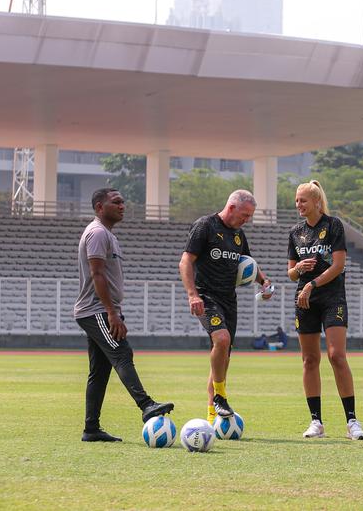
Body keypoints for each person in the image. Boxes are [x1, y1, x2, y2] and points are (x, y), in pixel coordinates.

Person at [74, 188, 173, 441]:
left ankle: (91, 429)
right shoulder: (97, 233)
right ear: (99, 207)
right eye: (115, 202)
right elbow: (97, 274)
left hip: (102, 309)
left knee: (100, 371)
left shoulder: (108, 234)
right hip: (96, 309)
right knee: (122, 353)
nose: (122, 205)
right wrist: (111, 312)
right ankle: (146, 405)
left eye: (123, 201)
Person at [179, 189, 273, 424]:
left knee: (224, 358)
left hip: (229, 301)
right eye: (245, 214)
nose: (247, 220)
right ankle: (220, 397)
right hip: (206, 296)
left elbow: (249, 262)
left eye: (250, 216)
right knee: (221, 339)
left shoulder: (239, 235)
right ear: (231, 207)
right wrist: (192, 295)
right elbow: (186, 261)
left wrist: (264, 282)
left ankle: (212, 415)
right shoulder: (205, 226)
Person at [287, 180, 363, 441]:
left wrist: (312, 283)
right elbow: (290, 273)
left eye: (303, 200)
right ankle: (316, 422)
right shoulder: (295, 232)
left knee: (336, 356)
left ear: (317, 202)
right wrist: (299, 270)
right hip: (304, 301)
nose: (299, 205)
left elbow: (338, 266)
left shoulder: (333, 226)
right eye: (297, 200)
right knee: (310, 360)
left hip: (332, 299)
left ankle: (352, 421)